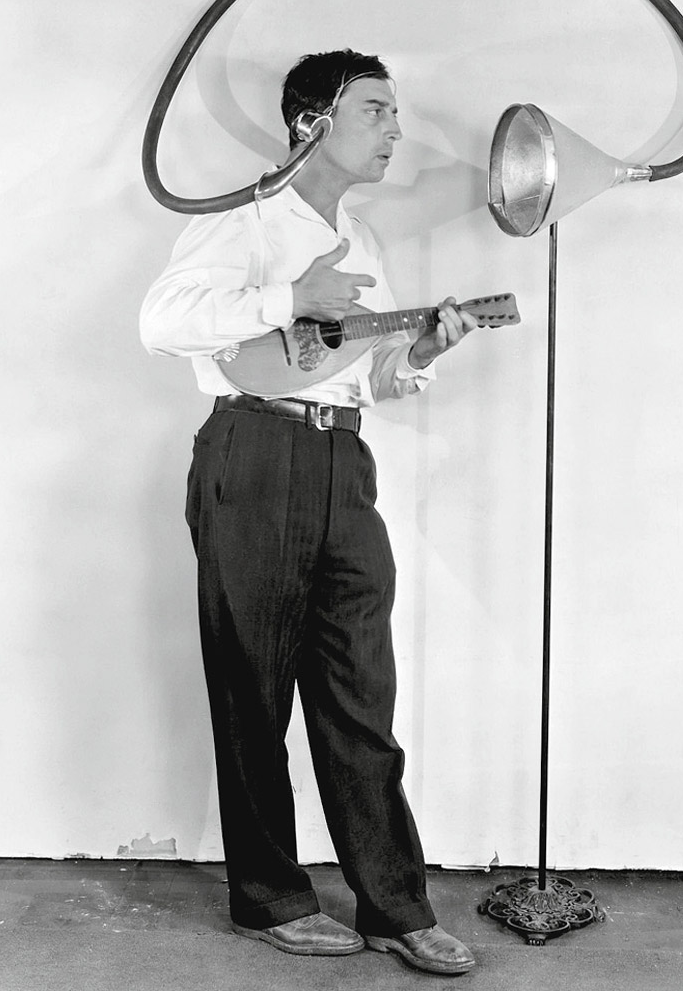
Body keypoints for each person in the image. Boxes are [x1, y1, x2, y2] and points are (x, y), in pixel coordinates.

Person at [139, 49, 479, 976]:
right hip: (253, 450)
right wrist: (289, 295)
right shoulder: (245, 221)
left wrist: (423, 351)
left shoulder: (363, 244)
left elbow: (371, 378)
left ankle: (394, 905)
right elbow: (161, 320)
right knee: (253, 689)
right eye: (376, 111)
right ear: (311, 122)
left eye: (396, 114)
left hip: (343, 458)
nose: (395, 130)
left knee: (361, 690)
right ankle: (270, 899)